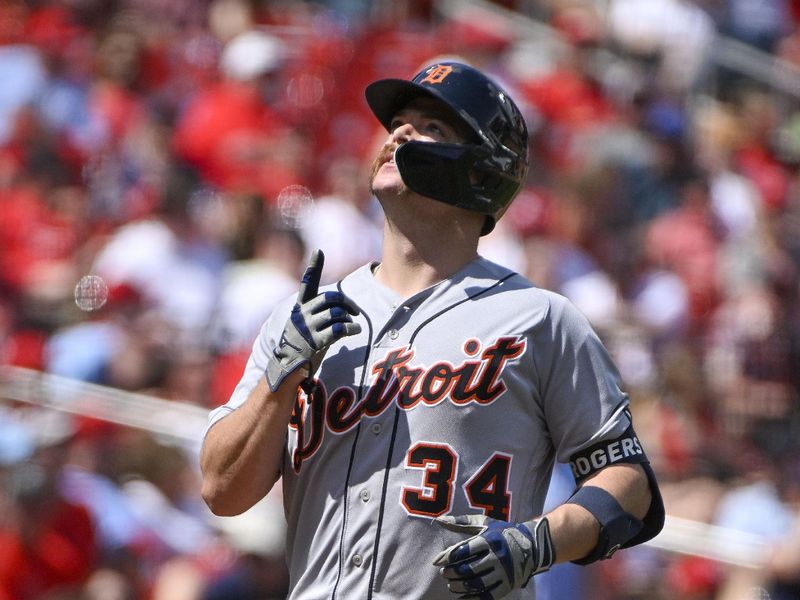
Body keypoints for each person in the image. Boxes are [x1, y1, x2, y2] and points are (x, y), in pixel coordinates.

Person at [200, 61, 664, 599]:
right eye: (398, 123)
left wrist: (541, 542)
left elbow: (627, 483)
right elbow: (221, 489)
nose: (398, 133)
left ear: (481, 169)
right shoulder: (303, 317)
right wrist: (278, 382)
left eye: (431, 127)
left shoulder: (539, 319)